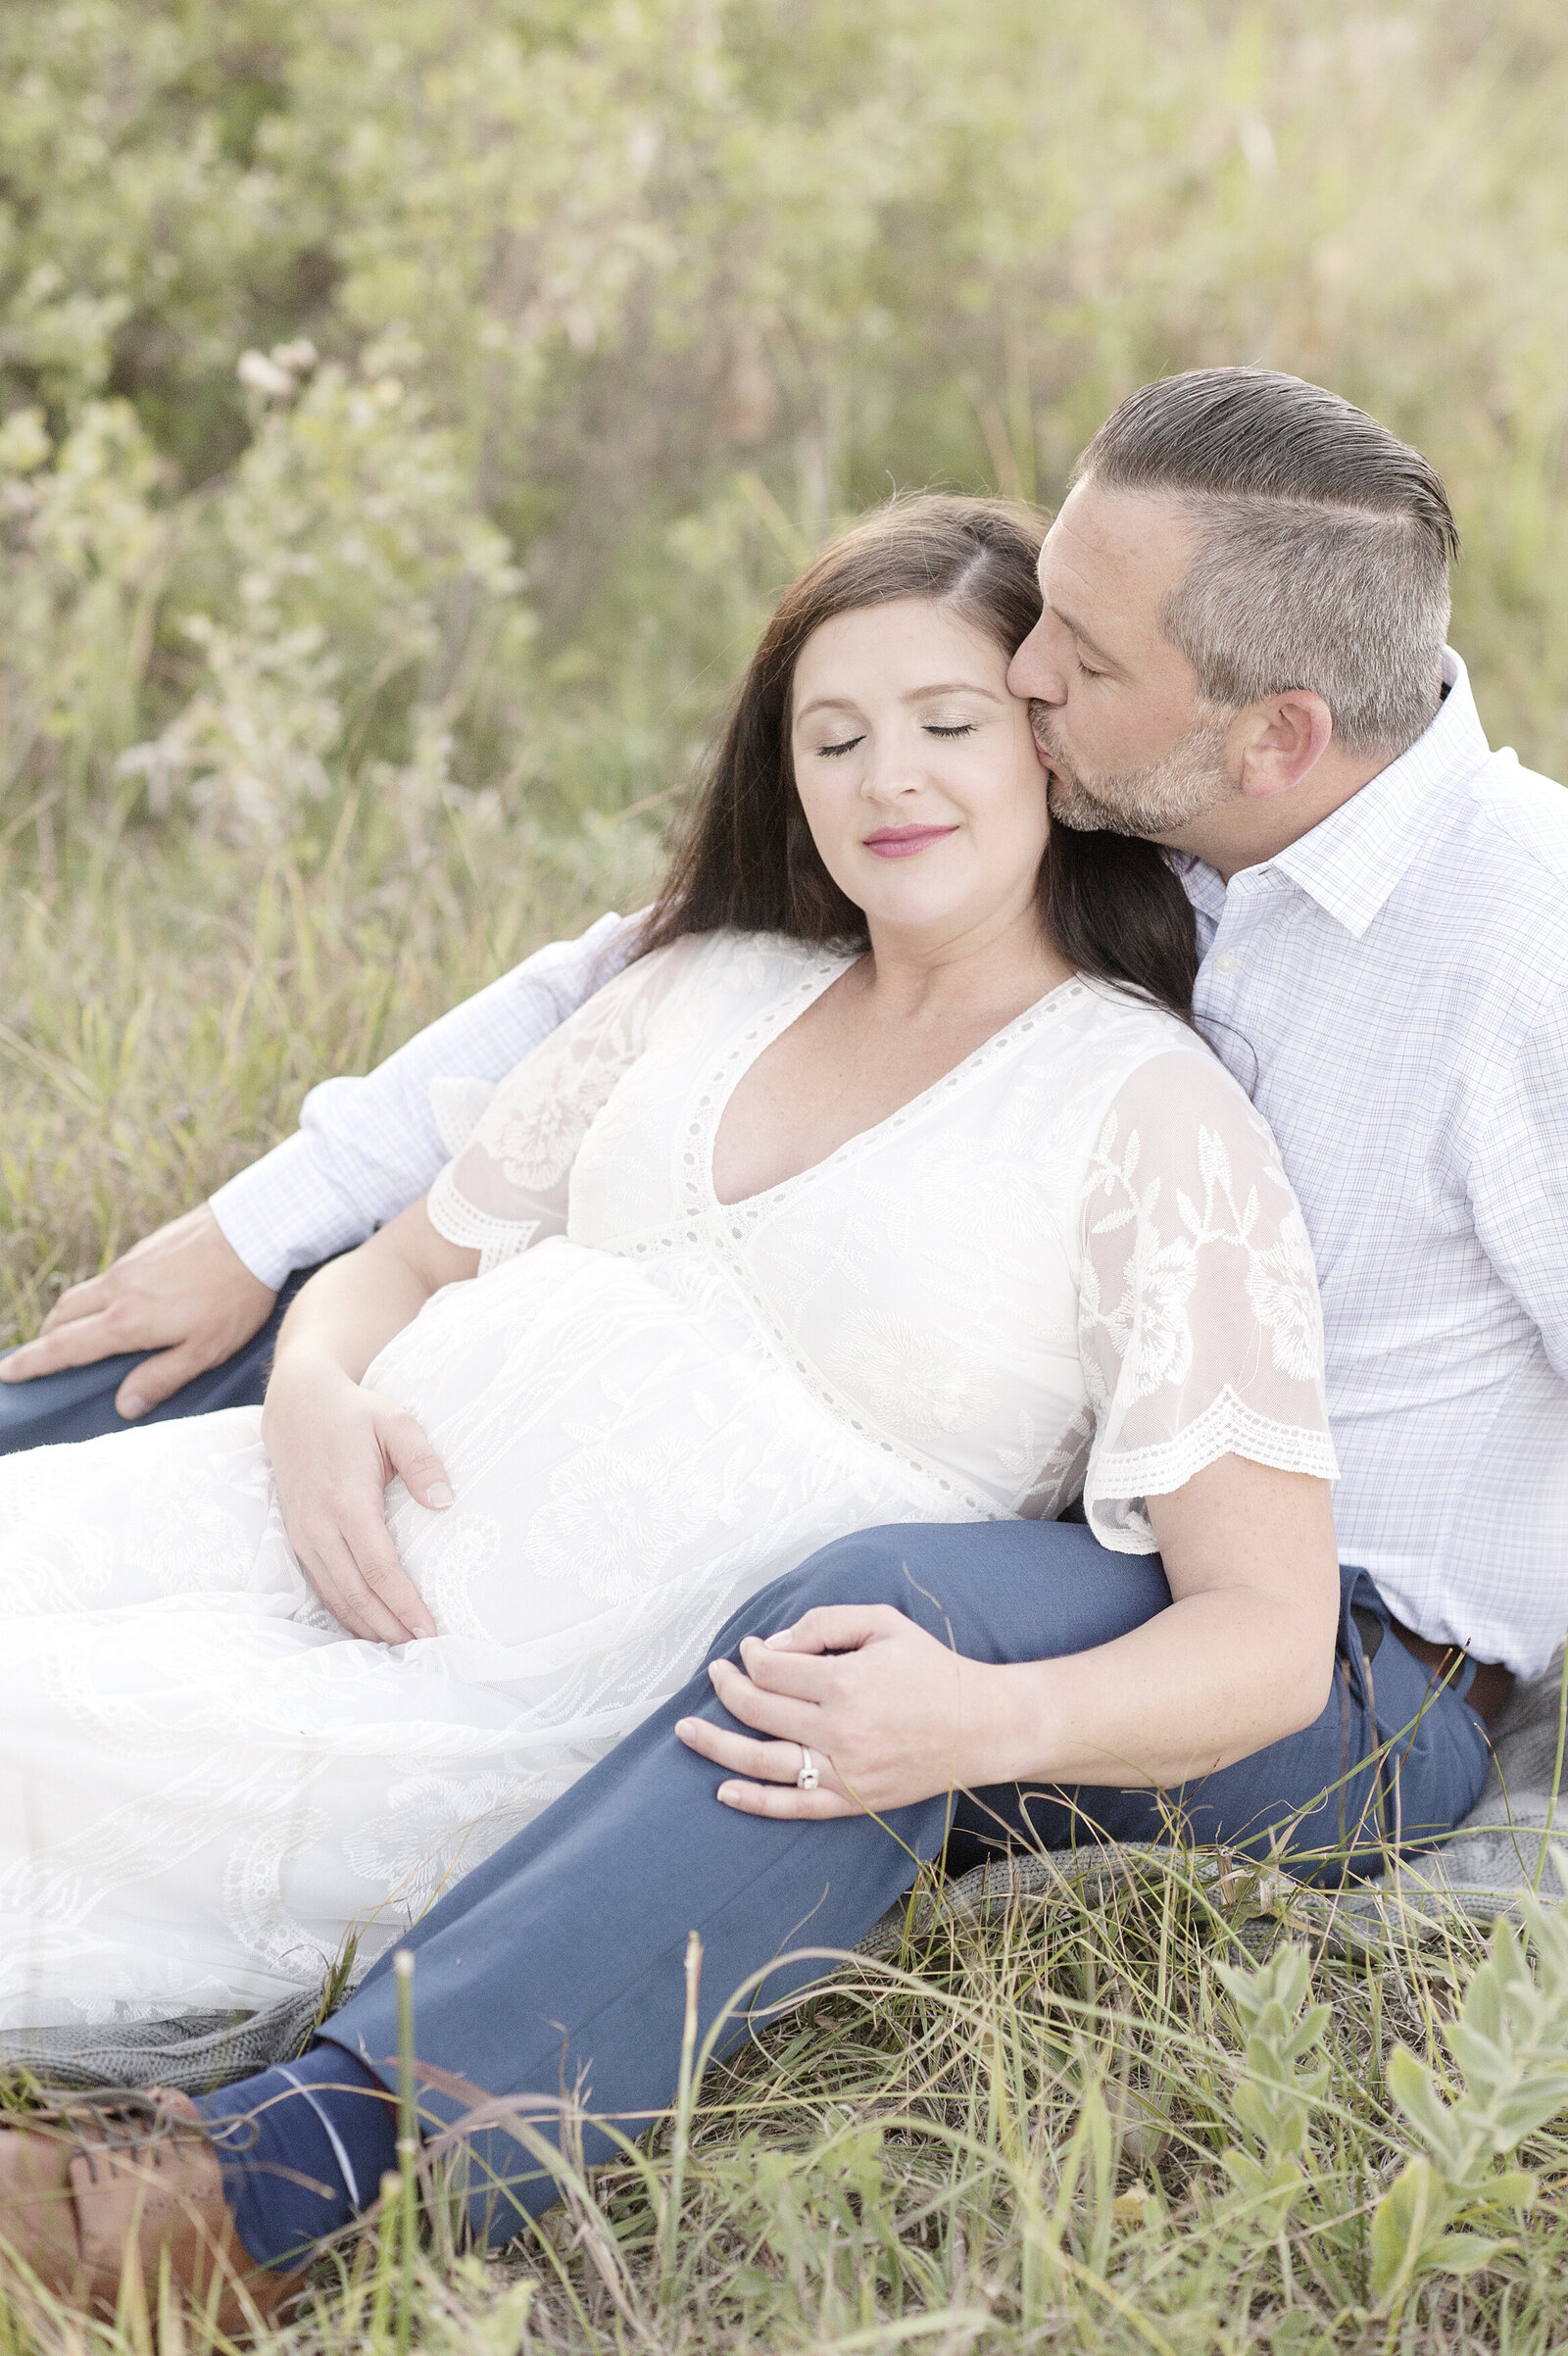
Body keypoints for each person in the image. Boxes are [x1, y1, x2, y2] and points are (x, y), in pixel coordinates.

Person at [3, 366, 1560, 2326]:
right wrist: (255, 1242)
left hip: (1329, 1652)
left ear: (1276, 732)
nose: (1024, 675)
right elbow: (609, 989)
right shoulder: (1127, 794)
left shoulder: (1522, 956)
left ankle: (276, 2177)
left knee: (877, 1623)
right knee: (261, 1350)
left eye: (1069, 651)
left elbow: (1244, 1592)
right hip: (981, 1461)